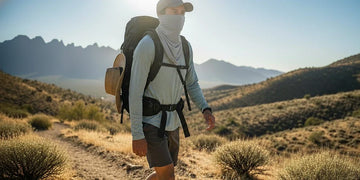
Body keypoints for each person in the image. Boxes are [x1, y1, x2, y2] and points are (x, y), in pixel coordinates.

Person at [129, 0, 216, 179]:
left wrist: (205, 108)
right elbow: (135, 92)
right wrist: (137, 134)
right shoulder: (148, 44)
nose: (179, 17)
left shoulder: (186, 47)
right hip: (151, 122)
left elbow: (192, 83)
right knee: (168, 174)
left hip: (173, 122)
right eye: (174, 11)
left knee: (163, 174)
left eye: (182, 12)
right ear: (161, 13)